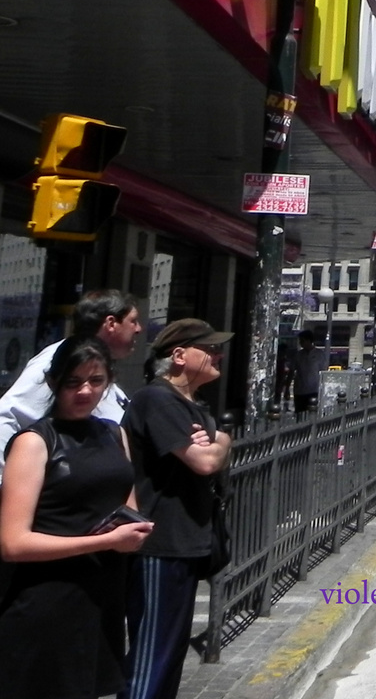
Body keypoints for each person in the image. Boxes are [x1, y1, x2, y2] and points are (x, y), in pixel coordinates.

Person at [0, 335, 154, 699]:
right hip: (47, 601)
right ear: (53, 383)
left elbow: (125, 505)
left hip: (102, 599)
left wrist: (135, 529)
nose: (85, 391)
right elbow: (12, 543)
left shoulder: (113, 433)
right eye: (74, 382)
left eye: (96, 381)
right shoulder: (35, 442)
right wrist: (105, 541)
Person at [121, 319, 233, 699]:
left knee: (170, 657)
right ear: (180, 356)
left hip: (187, 543)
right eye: (210, 348)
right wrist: (219, 444)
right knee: (151, 659)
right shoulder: (157, 399)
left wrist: (219, 442)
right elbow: (203, 462)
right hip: (159, 544)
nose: (218, 354)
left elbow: (212, 450)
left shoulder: (193, 406)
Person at [0, 290, 144, 479]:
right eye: (133, 321)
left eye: (97, 381)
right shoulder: (58, 360)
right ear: (111, 323)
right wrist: (6, 483)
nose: (139, 329)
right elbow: (8, 416)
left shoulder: (102, 369)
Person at [292, 331, 323, 414]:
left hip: (314, 390)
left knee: (311, 413)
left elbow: (323, 371)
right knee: (299, 413)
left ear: (309, 341)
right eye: (300, 341)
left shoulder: (320, 354)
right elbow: (292, 370)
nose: (301, 343)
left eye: (303, 341)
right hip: (300, 391)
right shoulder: (298, 355)